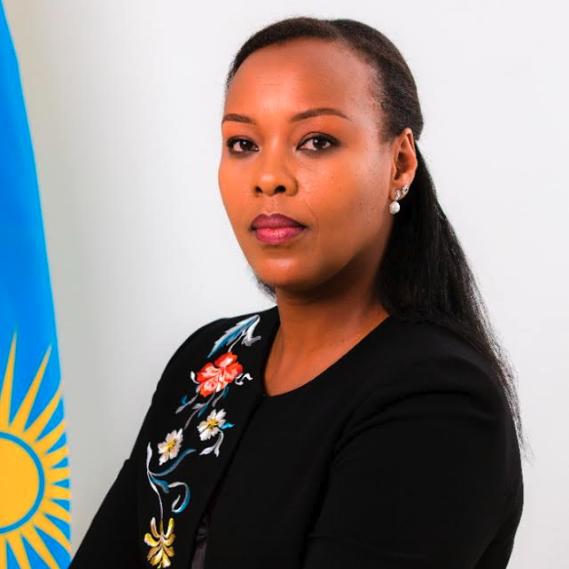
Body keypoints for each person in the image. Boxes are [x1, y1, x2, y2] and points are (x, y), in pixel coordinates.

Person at [69, 15, 526, 569]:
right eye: (243, 143)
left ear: (400, 162)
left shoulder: (438, 400)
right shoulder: (211, 359)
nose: (269, 177)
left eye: (316, 141)